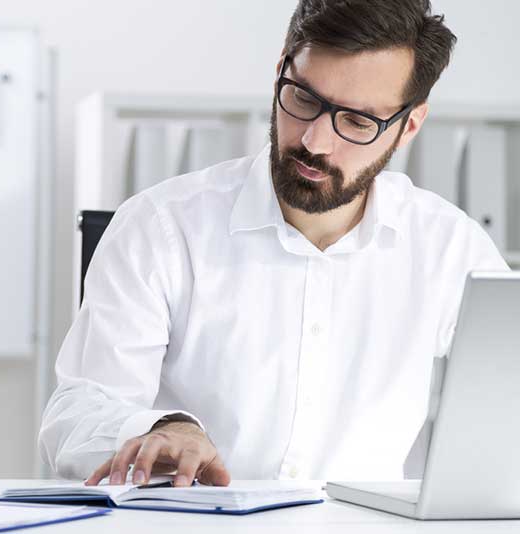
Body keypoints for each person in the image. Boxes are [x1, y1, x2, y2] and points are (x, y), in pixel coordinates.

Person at [39, 0, 509, 487]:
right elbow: (74, 415)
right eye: (303, 98)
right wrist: (159, 428)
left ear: (408, 126)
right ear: (280, 69)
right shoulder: (159, 228)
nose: (314, 141)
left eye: (357, 122)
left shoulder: (452, 251)